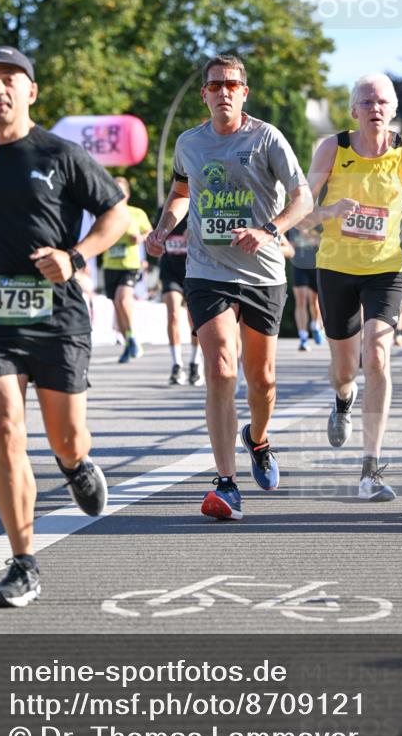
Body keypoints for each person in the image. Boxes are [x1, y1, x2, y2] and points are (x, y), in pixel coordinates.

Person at [0, 45, 128, 607]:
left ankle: (74, 463)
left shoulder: (60, 154)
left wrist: (75, 255)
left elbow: (114, 212)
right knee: (4, 428)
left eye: (10, 80)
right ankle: (23, 563)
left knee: (66, 436)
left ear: (31, 92)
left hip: (58, 315)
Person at [146, 53, 313, 521]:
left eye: (231, 85)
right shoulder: (189, 143)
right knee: (220, 369)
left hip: (262, 273)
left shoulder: (266, 138)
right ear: (204, 94)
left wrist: (269, 230)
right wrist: (163, 229)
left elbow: (303, 198)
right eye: (215, 85)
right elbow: (181, 194)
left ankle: (257, 439)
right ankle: (226, 482)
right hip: (207, 271)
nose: (223, 92)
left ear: (244, 93)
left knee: (262, 379)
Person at [306, 72, 402, 502]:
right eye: (366, 102)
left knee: (377, 354)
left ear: (394, 109)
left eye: (382, 102)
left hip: (387, 269)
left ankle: (370, 467)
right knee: (344, 370)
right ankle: (343, 398)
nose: (375, 108)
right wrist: (331, 211)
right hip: (336, 268)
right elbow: (303, 209)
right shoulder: (332, 148)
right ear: (353, 110)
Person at [102, 176, 152, 363]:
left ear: (127, 195)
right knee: (117, 307)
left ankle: (133, 341)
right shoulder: (104, 212)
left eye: (121, 191)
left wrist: (140, 238)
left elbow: (149, 232)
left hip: (130, 264)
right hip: (110, 265)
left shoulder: (136, 213)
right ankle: (129, 341)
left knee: (122, 300)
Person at [157, 213, 203, 385]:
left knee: (194, 318)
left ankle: (195, 362)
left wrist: (195, 233)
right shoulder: (165, 211)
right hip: (170, 272)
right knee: (173, 314)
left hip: (193, 270)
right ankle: (176, 364)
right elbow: (156, 235)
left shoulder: (198, 208)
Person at [286, 223, 325, 351]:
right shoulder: (293, 224)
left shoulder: (318, 222)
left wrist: (309, 235)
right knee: (301, 301)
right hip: (299, 265)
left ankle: (316, 325)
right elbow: (288, 245)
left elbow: (323, 243)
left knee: (314, 302)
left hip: (315, 265)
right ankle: (303, 337)